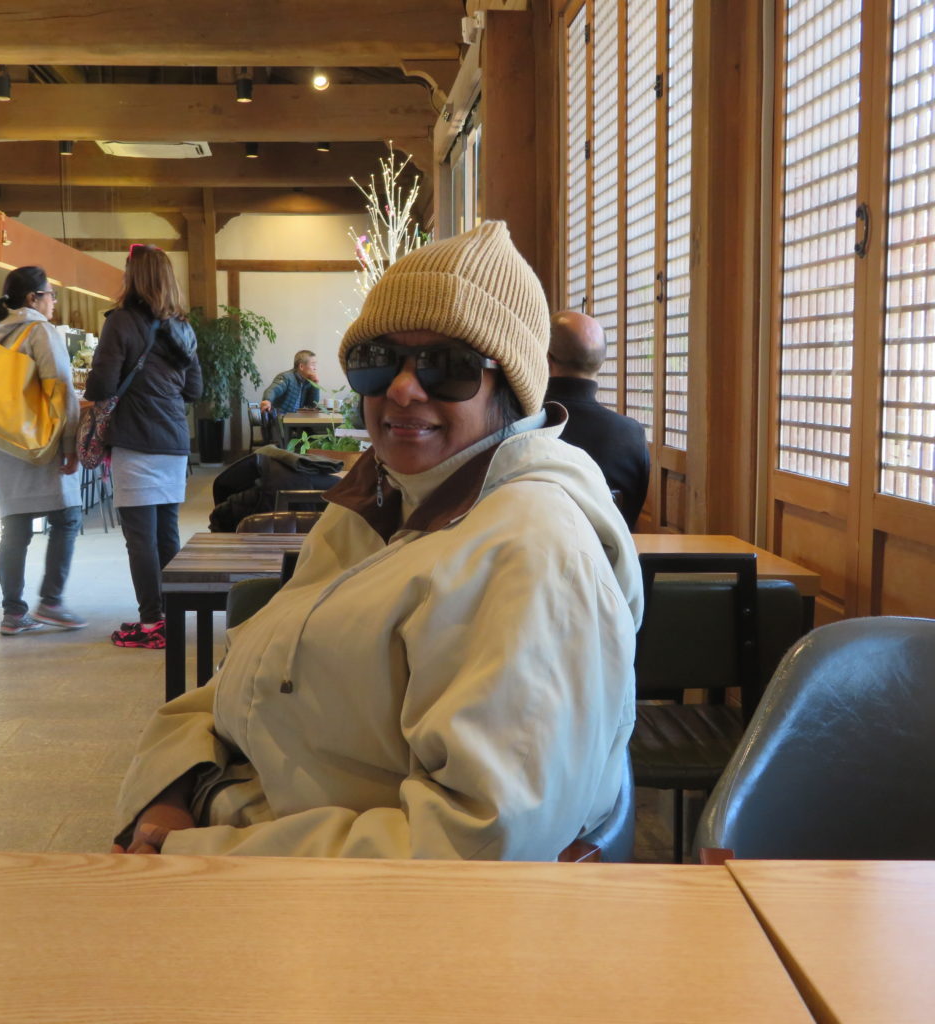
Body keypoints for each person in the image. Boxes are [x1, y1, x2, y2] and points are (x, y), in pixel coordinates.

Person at [112, 220, 642, 861]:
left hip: (344, 918)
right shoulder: (376, 504)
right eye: (376, 361)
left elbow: (478, 843)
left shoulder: (531, 555)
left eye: (447, 367)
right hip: (252, 848)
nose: (401, 388)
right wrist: (174, 787)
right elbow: (240, 686)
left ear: (512, 387)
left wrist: (204, 855)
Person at [84, 243, 202, 649]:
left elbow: (100, 385)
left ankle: (152, 624)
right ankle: (171, 616)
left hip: (135, 441)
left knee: (140, 538)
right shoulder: (183, 327)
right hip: (172, 441)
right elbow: (195, 389)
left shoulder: (121, 322)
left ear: (133, 277)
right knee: (167, 532)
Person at [0, 267, 86, 636]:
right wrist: (71, 445)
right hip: (40, 440)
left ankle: (13, 613)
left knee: (14, 528)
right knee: (68, 517)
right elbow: (61, 391)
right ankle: (52, 602)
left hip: (3, 440)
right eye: (51, 294)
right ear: (33, 298)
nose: (54, 301)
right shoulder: (39, 329)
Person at [546, 311, 650, 530]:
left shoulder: (522, 422)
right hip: (611, 562)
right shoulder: (631, 434)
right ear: (601, 362)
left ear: (546, 359)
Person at [259, 349, 319, 414]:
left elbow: (312, 406)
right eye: (313, 365)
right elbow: (273, 390)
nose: (315, 368)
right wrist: (267, 400)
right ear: (301, 366)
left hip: (296, 421)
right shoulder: (286, 377)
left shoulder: (308, 382)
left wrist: (315, 384)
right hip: (280, 421)